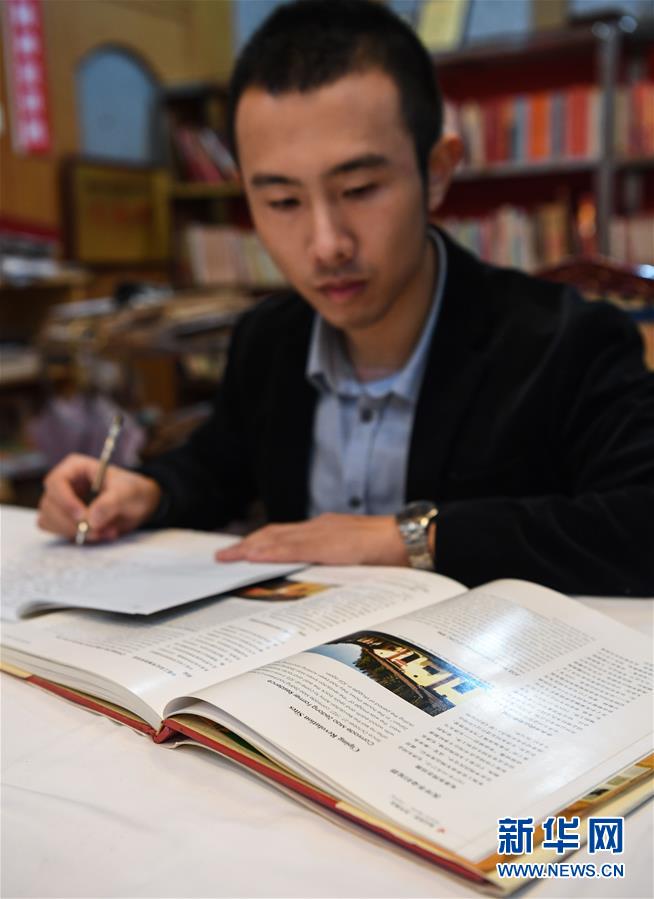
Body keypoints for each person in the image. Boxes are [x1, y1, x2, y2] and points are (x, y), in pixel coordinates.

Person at [38, 0, 654, 596]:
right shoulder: (268, 339)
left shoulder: (566, 341)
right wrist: (146, 492)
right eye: (282, 202)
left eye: (359, 189)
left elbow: (638, 522)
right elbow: (216, 467)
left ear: (438, 171)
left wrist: (408, 539)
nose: (327, 245)